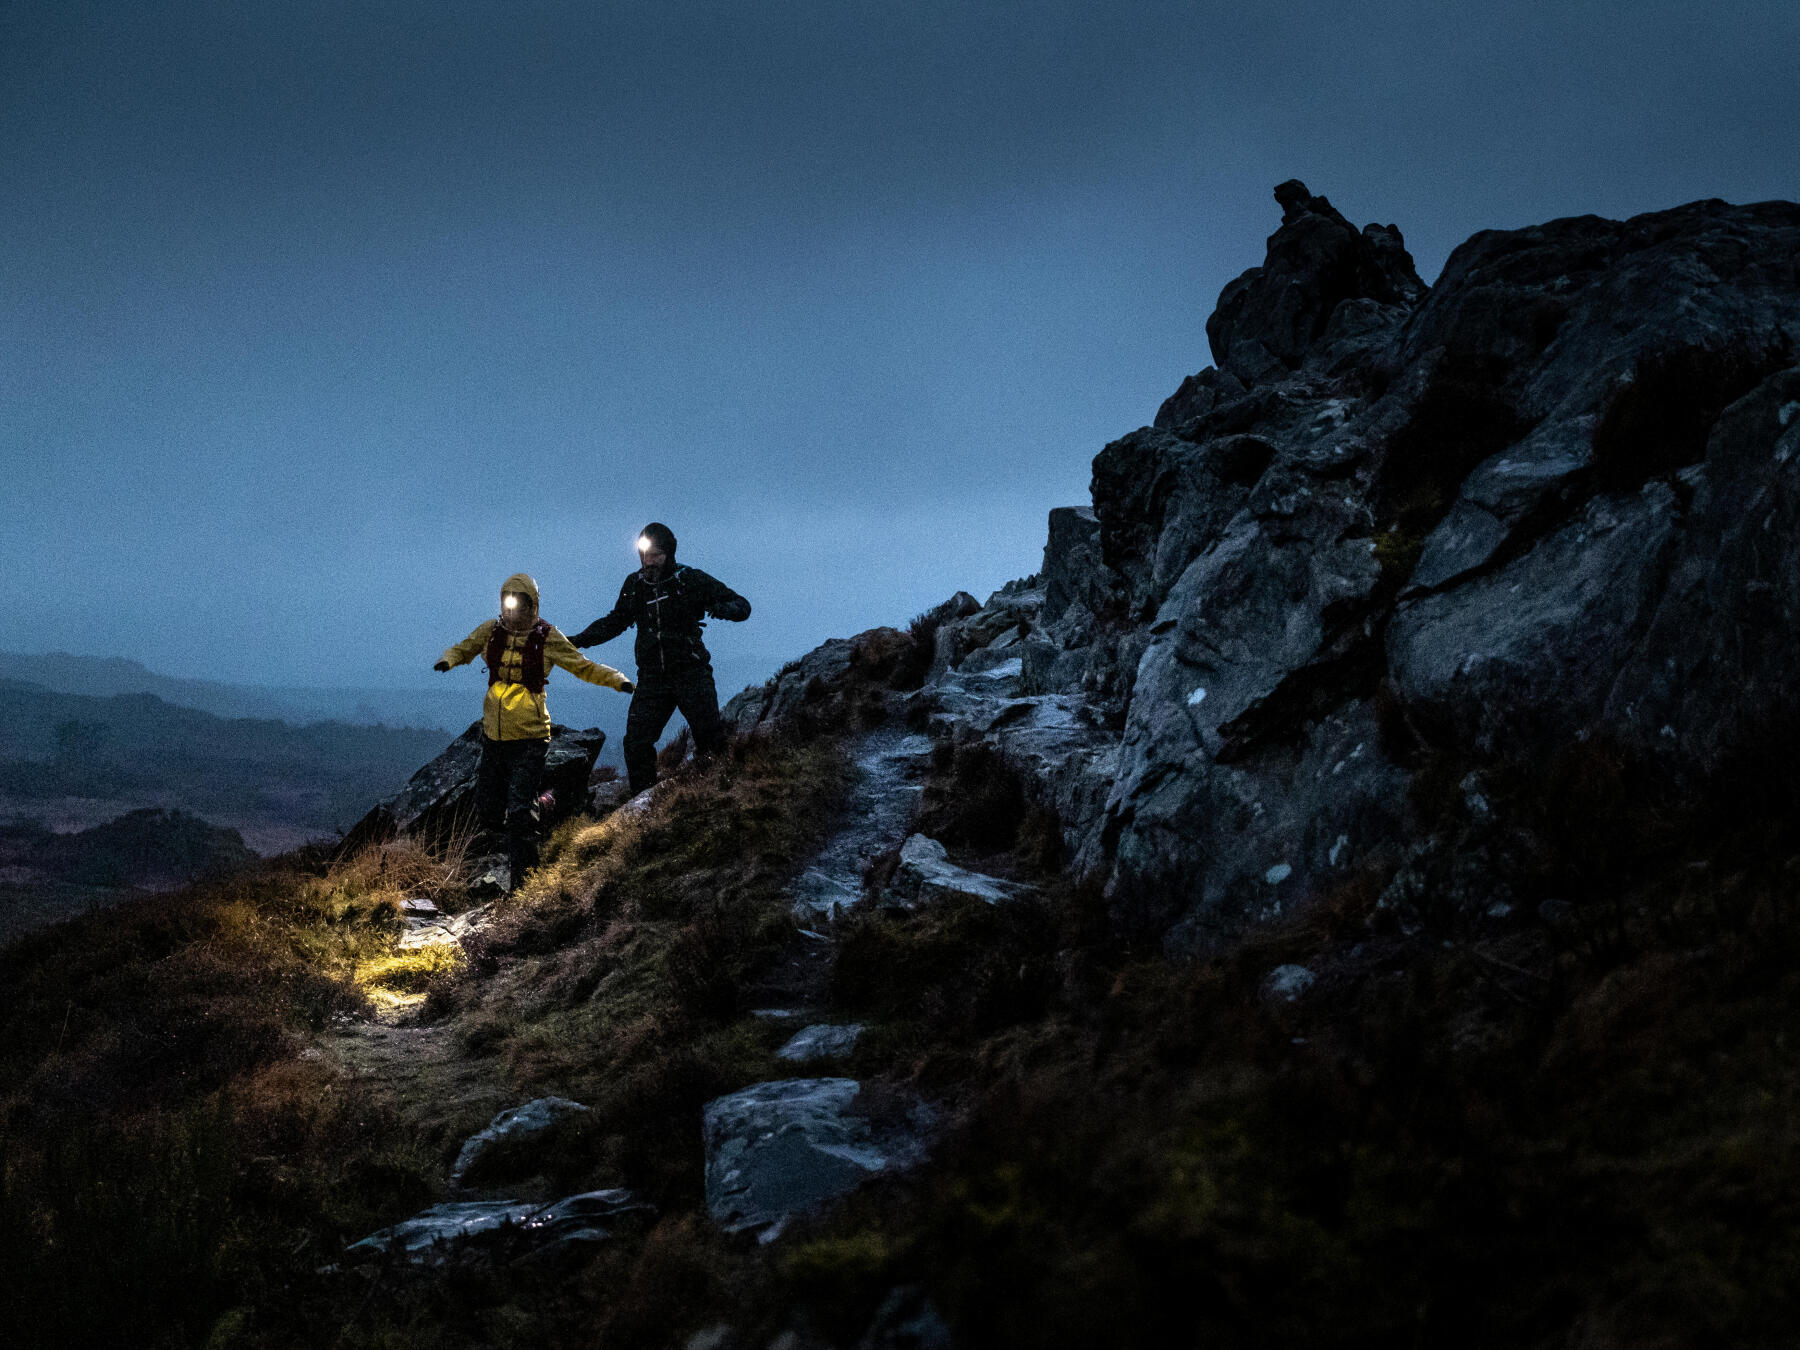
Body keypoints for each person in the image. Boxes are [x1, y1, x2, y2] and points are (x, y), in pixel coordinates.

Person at [435, 572, 633, 890]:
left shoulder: (546, 636)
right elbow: (466, 647)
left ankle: (524, 886)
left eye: (518, 604)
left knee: (518, 814)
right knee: (487, 811)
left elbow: (582, 665)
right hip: (495, 737)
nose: (511, 611)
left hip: (529, 738)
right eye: (507, 603)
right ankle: (543, 803)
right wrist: (448, 660)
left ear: (531, 605)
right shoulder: (491, 631)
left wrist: (616, 679)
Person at [569, 523, 751, 795]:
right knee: (636, 743)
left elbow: (742, 606)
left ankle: (717, 795)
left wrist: (723, 608)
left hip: (691, 672)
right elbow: (615, 621)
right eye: (644, 554)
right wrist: (576, 641)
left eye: (656, 555)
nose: (648, 562)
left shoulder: (689, 579)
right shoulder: (635, 585)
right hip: (653, 679)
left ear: (669, 555)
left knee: (710, 738)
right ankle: (643, 803)